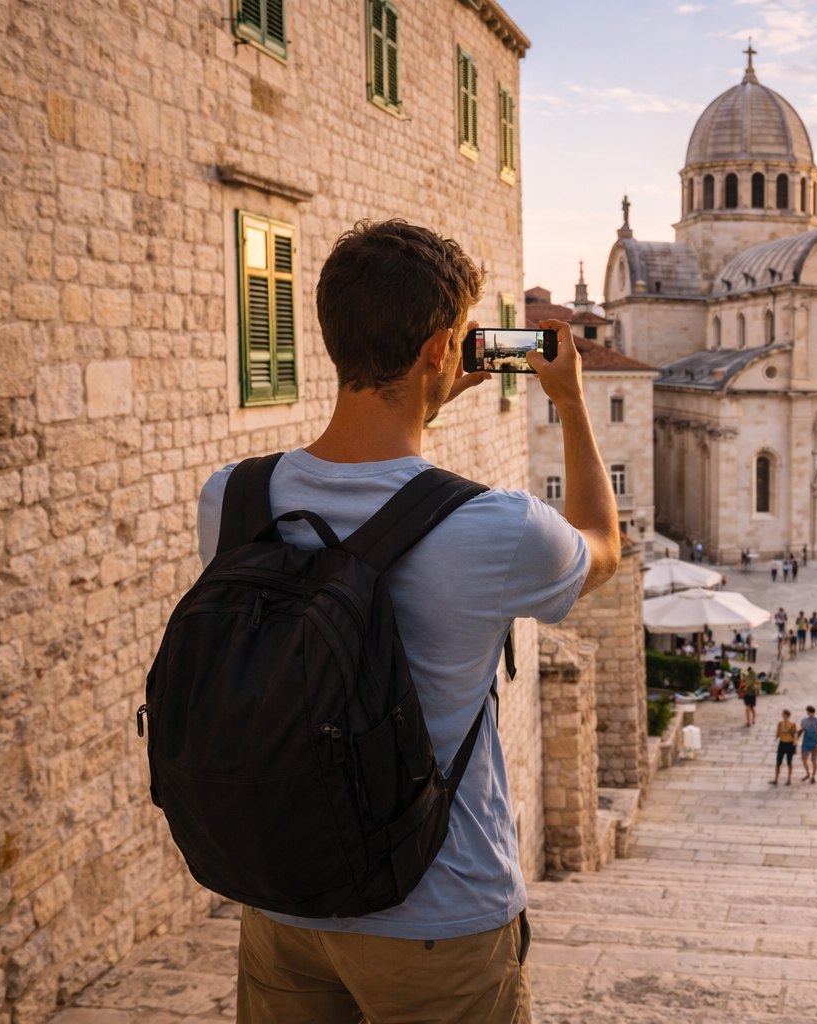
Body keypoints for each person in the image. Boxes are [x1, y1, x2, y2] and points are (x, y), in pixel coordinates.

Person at [201, 220, 623, 1023]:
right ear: (441, 350)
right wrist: (570, 403)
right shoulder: (495, 528)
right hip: (440, 919)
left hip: (283, 903)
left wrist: (427, 386)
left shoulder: (232, 498)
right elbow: (602, 547)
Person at [772, 710, 798, 786]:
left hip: (790, 744)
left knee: (789, 762)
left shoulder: (792, 724)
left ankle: (789, 779)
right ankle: (776, 779)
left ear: (788, 716)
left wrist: (795, 742)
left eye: (785, 715)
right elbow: (778, 734)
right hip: (782, 744)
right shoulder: (780, 724)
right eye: (783, 715)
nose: (784, 716)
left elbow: (795, 734)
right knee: (778, 762)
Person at [799, 706, 817, 782]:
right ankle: (808, 773)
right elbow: (802, 730)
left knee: (813, 761)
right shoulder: (804, 720)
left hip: (814, 743)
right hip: (806, 742)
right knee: (804, 759)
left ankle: (813, 776)